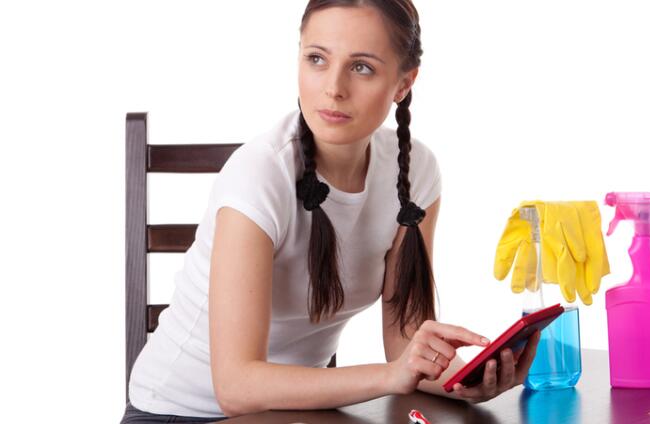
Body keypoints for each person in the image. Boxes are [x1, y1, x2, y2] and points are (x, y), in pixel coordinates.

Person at [121, 1, 541, 422]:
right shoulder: (259, 174)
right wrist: (390, 376)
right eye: (317, 59)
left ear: (403, 83)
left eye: (361, 67)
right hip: (176, 414)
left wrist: (466, 379)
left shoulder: (414, 172)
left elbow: (406, 345)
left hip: (294, 414)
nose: (333, 88)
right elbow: (236, 388)